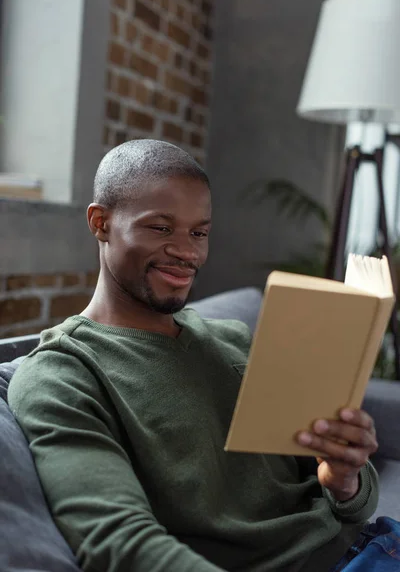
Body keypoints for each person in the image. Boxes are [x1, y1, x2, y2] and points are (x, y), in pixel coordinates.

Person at [8, 139, 387, 572]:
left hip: (374, 544)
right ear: (101, 222)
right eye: (161, 228)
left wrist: (344, 480)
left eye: (199, 232)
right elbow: (119, 543)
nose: (188, 252)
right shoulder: (62, 374)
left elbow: (351, 505)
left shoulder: (232, 338)